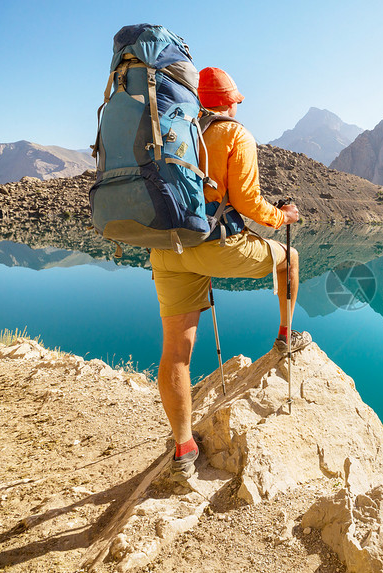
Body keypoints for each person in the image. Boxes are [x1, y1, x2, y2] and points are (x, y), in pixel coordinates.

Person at [149, 67, 311, 485]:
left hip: (167, 249)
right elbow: (248, 201)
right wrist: (283, 217)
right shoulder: (234, 136)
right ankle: (285, 335)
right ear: (231, 101)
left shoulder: (172, 130)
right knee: (288, 258)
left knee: (176, 353)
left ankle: (183, 449)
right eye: (236, 101)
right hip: (213, 247)